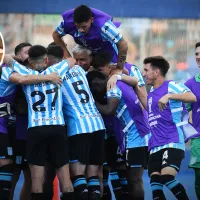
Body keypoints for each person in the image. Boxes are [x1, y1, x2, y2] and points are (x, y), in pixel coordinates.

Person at [3, 45, 76, 200]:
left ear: (29, 60)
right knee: (65, 179)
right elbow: (72, 59)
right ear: (47, 59)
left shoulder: (24, 73)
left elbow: (6, 58)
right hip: (57, 128)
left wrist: (20, 59)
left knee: (37, 181)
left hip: (35, 129)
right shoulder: (56, 70)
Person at [142, 56, 196, 200]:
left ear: (157, 72)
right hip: (155, 145)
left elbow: (192, 97)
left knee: (166, 177)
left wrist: (169, 96)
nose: (143, 73)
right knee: (155, 185)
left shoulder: (171, 85)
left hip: (172, 140)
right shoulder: (151, 93)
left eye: (146, 70)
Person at [53, 4, 128, 70]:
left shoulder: (104, 27)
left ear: (91, 20)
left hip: (109, 53)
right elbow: (56, 35)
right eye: (77, 26)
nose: (80, 30)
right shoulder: (68, 24)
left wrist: (119, 68)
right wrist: (67, 56)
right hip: (89, 54)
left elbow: (123, 44)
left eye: (84, 26)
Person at [9, 42, 32, 200]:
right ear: (18, 56)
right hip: (18, 129)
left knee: (31, 176)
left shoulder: (39, 72)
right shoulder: (13, 72)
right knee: (14, 174)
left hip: (35, 130)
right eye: (26, 52)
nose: (30, 55)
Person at [185, 42, 200, 200]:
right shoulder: (189, 84)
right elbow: (184, 109)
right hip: (198, 139)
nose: (199, 57)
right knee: (199, 176)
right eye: (196, 53)